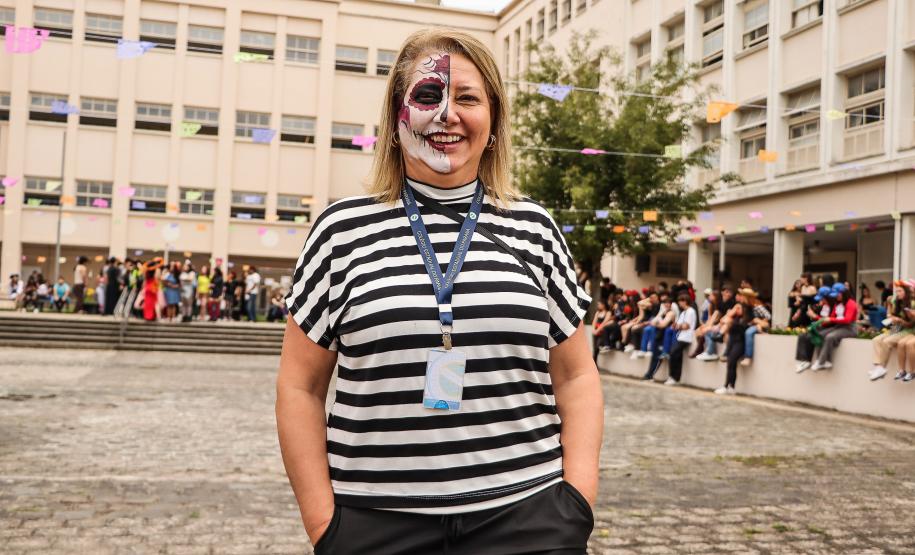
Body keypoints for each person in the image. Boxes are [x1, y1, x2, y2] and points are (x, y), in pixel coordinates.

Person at [277, 29, 600, 554]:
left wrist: (575, 503)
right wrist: (326, 526)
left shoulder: (535, 229)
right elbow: (299, 387)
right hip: (377, 525)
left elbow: (577, 375)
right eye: (429, 96)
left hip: (529, 518)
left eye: (467, 98)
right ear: (396, 117)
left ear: (493, 120)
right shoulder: (341, 232)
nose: (447, 114)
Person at [869, 281, 915, 381]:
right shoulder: (897, 301)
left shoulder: (912, 303)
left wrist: (901, 320)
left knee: (887, 341)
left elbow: (910, 324)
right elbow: (890, 309)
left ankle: (882, 367)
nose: (897, 293)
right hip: (897, 327)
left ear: (906, 292)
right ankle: (877, 366)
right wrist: (891, 317)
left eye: (900, 291)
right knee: (876, 339)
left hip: (907, 328)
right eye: (896, 291)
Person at [809, 283, 858, 371]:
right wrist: (819, 320)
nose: (836, 297)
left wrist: (831, 319)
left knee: (830, 337)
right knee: (819, 335)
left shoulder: (851, 303)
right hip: (838, 326)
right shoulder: (837, 304)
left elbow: (847, 320)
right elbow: (831, 317)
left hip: (850, 328)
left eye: (837, 295)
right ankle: (824, 361)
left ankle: (821, 362)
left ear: (843, 293)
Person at [714, 293, 749, 395]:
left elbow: (742, 329)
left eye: (738, 308)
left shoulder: (745, 319)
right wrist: (731, 313)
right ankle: (730, 386)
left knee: (731, 363)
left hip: (740, 343)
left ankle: (727, 386)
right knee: (731, 365)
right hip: (732, 343)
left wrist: (731, 321)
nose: (737, 310)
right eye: (736, 308)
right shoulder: (734, 318)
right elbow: (723, 320)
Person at [665, 294, 697, 386]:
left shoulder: (691, 311)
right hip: (680, 336)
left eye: (680, 301)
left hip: (686, 338)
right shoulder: (683, 312)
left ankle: (673, 377)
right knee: (677, 356)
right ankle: (675, 378)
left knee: (673, 353)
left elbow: (686, 326)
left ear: (685, 301)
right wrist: (676, 325)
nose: (679, 303)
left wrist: (678, 326)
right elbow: (677, 325)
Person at [697, 287, 735, 361]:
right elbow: (714, 316)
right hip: (721, 324)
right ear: (722, 292)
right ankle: (709, 352)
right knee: (705, 331)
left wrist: (714, 326)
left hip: (727, 325)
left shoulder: (732, 303)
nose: (728, 294)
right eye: (727, 292)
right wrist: (708, 326)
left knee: (709, 331)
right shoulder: (719, 304)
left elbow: (727, 317)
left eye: (729, 292)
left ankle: (710, 352)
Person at [739, 289, 771, 367]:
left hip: (758, 325)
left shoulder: (757, 307)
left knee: (749, 332)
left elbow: (768, 316)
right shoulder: (745, 307)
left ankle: (748, 357)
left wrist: (759, 322)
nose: (742, 297)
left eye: (743, 296)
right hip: (751, 325)